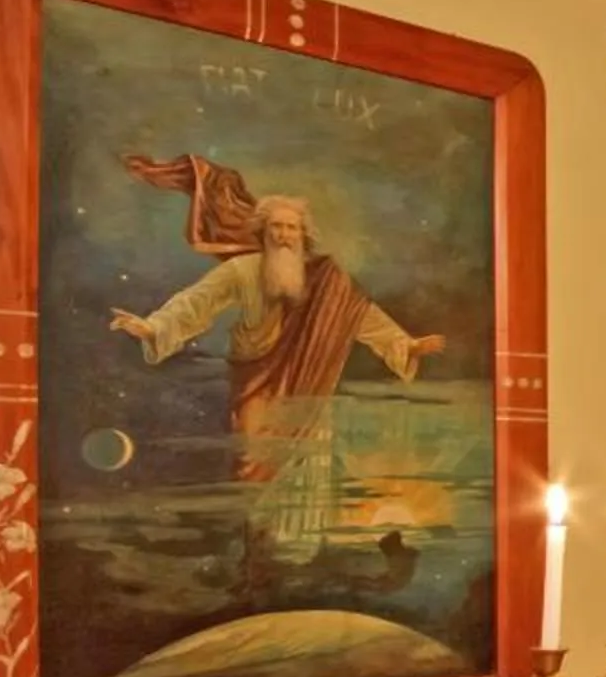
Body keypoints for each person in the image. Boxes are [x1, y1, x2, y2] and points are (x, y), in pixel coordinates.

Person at [110, 160, 441, 563]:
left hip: (309, 382)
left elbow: (362, 316)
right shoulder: (242, 270)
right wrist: (154, 327)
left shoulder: (326, 281)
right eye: (276, 227)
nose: (284, 235)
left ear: (304, 235)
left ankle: (297, 554)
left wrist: (405, 345)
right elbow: (197, 303)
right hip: (255, 378)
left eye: (291, 228)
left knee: (306, 455)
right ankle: (256, 550)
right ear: (263, 233)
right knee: (255, 459)